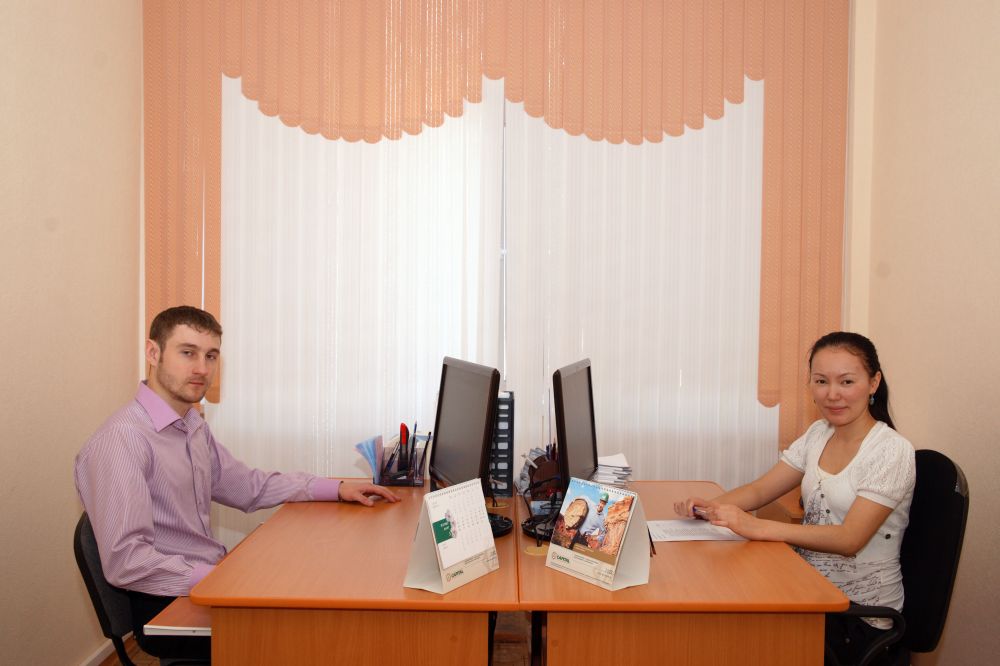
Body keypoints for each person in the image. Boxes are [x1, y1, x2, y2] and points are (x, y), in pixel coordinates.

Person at [75, 306, 400, 660]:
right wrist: (219, 578)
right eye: (188, 353)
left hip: (208, 581)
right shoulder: (121, 441)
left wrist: (335, 488)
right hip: (166, 603)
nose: (202, 369)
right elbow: (127, 561)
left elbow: (248, 486)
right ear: (153, 353)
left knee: (320, 585)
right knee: (320, 632)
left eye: (211, 356)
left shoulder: (192, 426)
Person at [674, 332, 915, 666]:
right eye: (821, 381)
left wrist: (757, 527)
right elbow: (760, 490)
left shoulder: (891, 451)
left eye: (846, 381)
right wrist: (712, 507)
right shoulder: (819, 433)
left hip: (857, 617)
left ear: (873, 382)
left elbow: (850, 539)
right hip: (807, 592)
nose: (832, 394)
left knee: (723, 638)